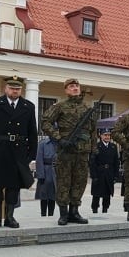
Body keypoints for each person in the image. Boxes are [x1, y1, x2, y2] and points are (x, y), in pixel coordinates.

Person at [0, 77, 38, 229]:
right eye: (12, 88)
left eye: (18, 89)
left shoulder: (28, 106)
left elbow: (33, 131)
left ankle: (10, 217)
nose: (15, 91)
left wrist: (32, 154)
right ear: (6, 89)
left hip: (18, 151)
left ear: (21, 90)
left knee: (14, 186)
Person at [41, 78, 96, 226]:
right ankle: (63, 213)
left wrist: (94, 150)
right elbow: (45, 122)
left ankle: (75, 212)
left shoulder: (87, 108)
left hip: (82, 152)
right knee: (64, 182)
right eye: (71, 86)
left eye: (77, 86)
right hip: (66, 151)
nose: (75, 88)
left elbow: (92, 130)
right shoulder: (60, 106)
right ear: (66, 90)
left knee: (80, 182)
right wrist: (59, 138)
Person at [89, 127, 120, 213]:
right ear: (101, 136)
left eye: (109, 135)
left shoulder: (113, 147)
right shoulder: (97, 146)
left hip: (109, 173)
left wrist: (116, 175)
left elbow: (116, 162)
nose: (107, 137)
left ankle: (105, 210)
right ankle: (94, 210)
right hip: (99, 173)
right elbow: (92, 162)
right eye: (105, 135)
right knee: (96, 194)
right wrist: (93, 176)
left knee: (107, 194)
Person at [34, 135, 57, 217]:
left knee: (53, 196)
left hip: (56, 172)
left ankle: (51, 214)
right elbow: (39, 160)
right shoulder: (43, 144)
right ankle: (43, 214)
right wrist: (40, 175)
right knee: (43, 195)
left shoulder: (59, 143)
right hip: (45, 172)